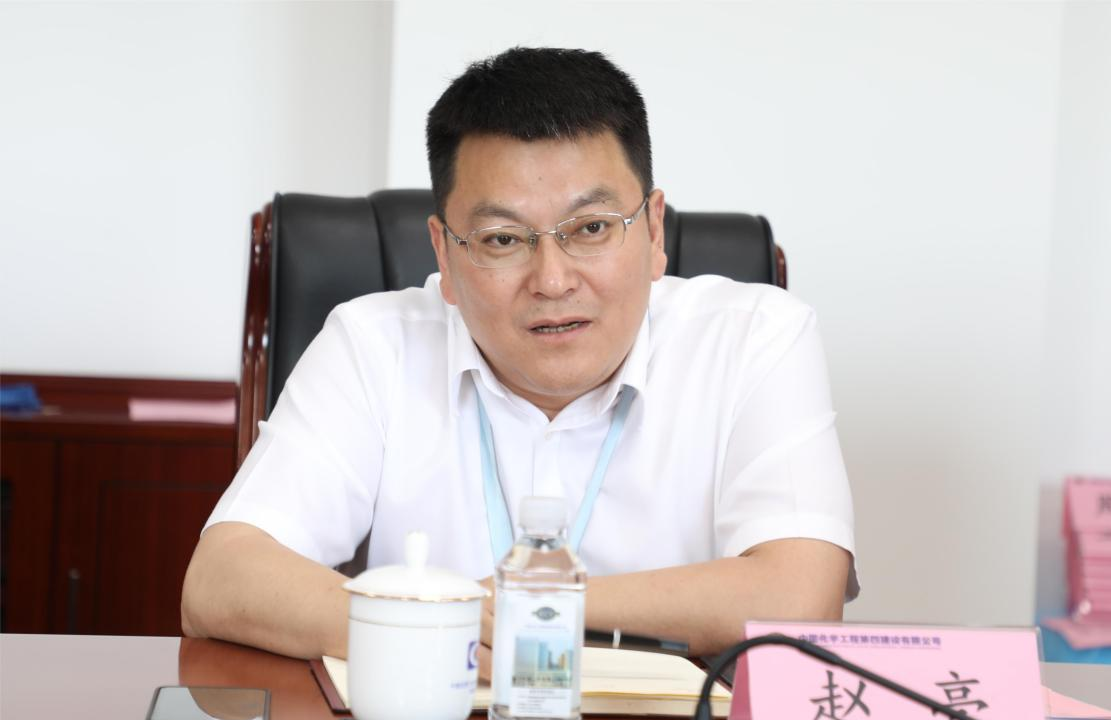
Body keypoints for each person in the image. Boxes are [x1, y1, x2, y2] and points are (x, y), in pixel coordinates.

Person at [181, 47, 857, 665]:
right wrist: (439, 623)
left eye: (591, 229)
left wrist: (511, 605)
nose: (552, 280)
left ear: (654, 231)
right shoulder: (373, 344)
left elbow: (800, 596)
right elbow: (220, 579)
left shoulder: (752, 338)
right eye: (503, 239)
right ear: (445, 254)